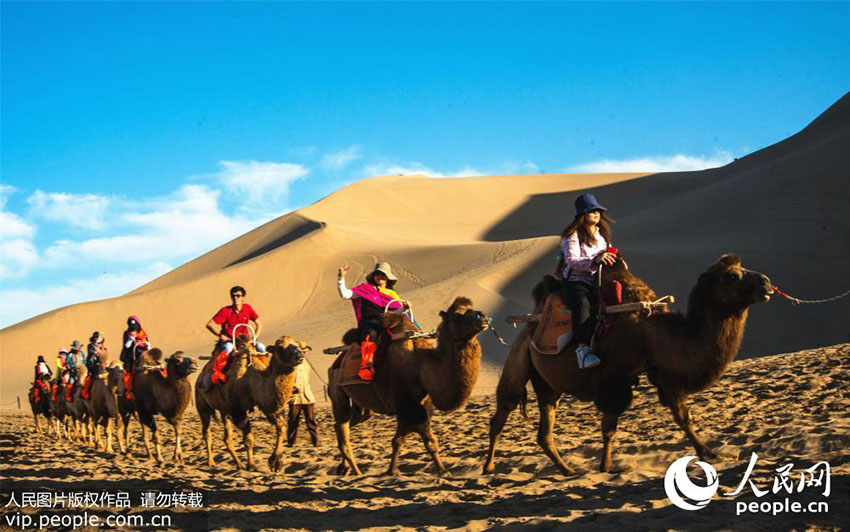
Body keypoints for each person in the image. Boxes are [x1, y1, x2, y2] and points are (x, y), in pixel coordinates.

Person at [555, 193, 616, 370]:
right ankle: (583, 351)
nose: (596, 213)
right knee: (583, 304)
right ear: (582, 214)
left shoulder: (601, 234)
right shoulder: (572, 235)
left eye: (597, 210)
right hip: (575, 282)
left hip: (597, 280)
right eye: (591, 210)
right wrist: (595, 260)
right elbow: (572, 260)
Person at [337, 262, 407, 382]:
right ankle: (366, 367)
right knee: (371, 334)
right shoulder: (365, 290)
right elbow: (345, 294)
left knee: (408, 332)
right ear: (373, 276)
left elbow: (397, 311)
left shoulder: (392, 294)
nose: (380, 277)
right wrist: (341, 277)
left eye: (383, 275)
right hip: (370, 323)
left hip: (389, 323)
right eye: (377, 274)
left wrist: (405, 308)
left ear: (387, 278)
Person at [206, 285, 264, 356]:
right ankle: (219, 367)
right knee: (228, 348)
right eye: (233, 296)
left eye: (238, 296)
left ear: (243, 298)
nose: (235, 298)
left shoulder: (247, 308)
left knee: (261, 347)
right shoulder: (225, 311)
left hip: (245, 341)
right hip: (230, 341)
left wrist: (254, 338)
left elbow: (259, 324)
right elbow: (210, 324)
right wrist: (221, 336)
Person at [287, 360, 319, 447]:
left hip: (307, 396)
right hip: (294, 397)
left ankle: (315, 441)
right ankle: (291, 441)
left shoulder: (307, 364)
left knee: (311, 419)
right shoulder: (289, 364)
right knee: (293, 419)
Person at [120, 315, 150, 399]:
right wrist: (130, 340)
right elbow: (125, 346)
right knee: (128, 370)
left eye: (135, 328)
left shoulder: (143, 334)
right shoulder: (126, 334)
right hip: (130, 355)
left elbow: (147, 343)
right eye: (132, 328)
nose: (133, 331)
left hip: (143, 354)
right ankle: (128, 389)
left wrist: (147, 345)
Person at [84, 331, 106, 399]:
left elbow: (104, 352)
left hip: (101, 362)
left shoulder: (102, 346)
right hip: (92, 362)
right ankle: (85, 391)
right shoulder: (90, 345)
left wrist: (101, 352)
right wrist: (97, 352)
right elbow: (92, 352)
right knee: (90, 376)